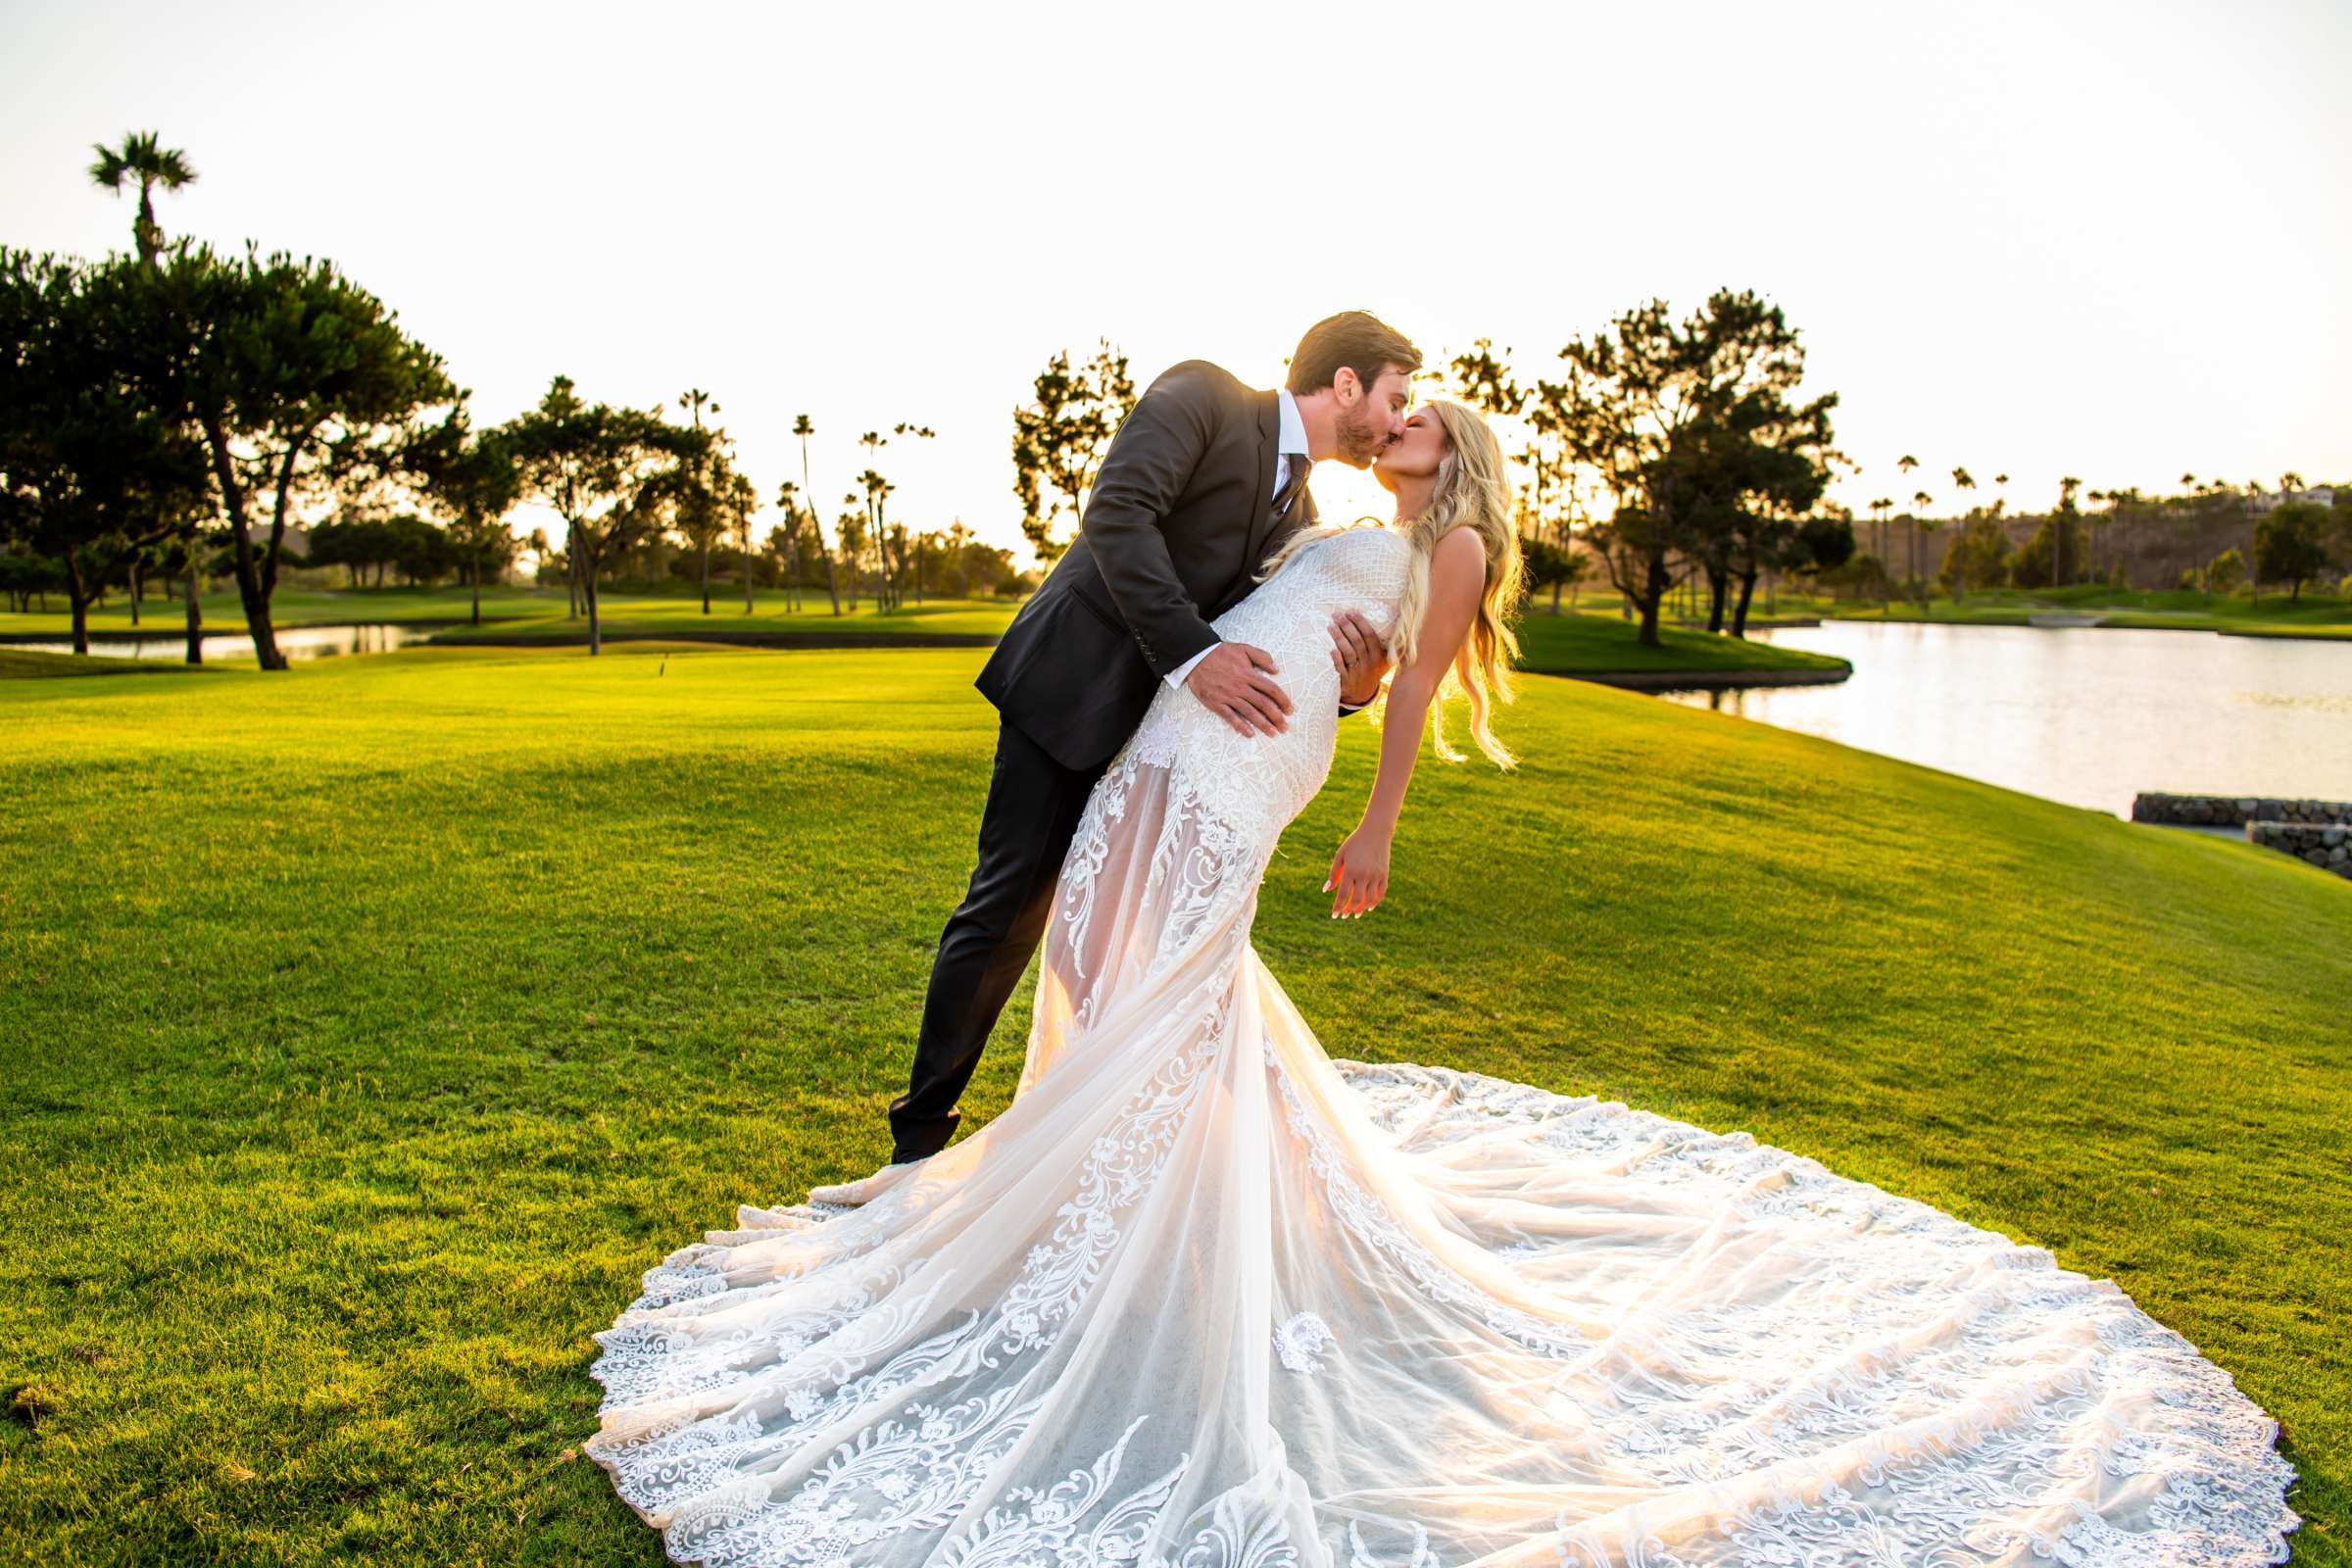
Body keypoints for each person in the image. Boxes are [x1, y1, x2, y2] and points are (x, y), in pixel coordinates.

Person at [584, 402, 2298, 1568]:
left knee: (1165, 967)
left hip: (1261, 770)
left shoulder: (1451, 550)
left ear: (1454, 452)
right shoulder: (1339, 518)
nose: (1389, 428)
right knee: (1103, 951)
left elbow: (1403, 703)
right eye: (1384, 414)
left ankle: (1146, 1215)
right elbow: (1244, 589)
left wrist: (1381, 828)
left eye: (1411, 421)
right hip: (1182, 733)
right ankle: (1092, 1179)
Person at [885, 310, 1421, 1168]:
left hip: (1158, 740)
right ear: (1347, 383)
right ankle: (917, 1140)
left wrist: (1358, 692)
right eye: (1396, 399)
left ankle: (1111, 1135)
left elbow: (1281, 629)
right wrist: (1195, 655)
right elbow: (1119, 514)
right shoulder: (1205, 394)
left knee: (1108, 926)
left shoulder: (1303, 511)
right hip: (1069, 689)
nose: (1398, 422)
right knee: (1010, 909)